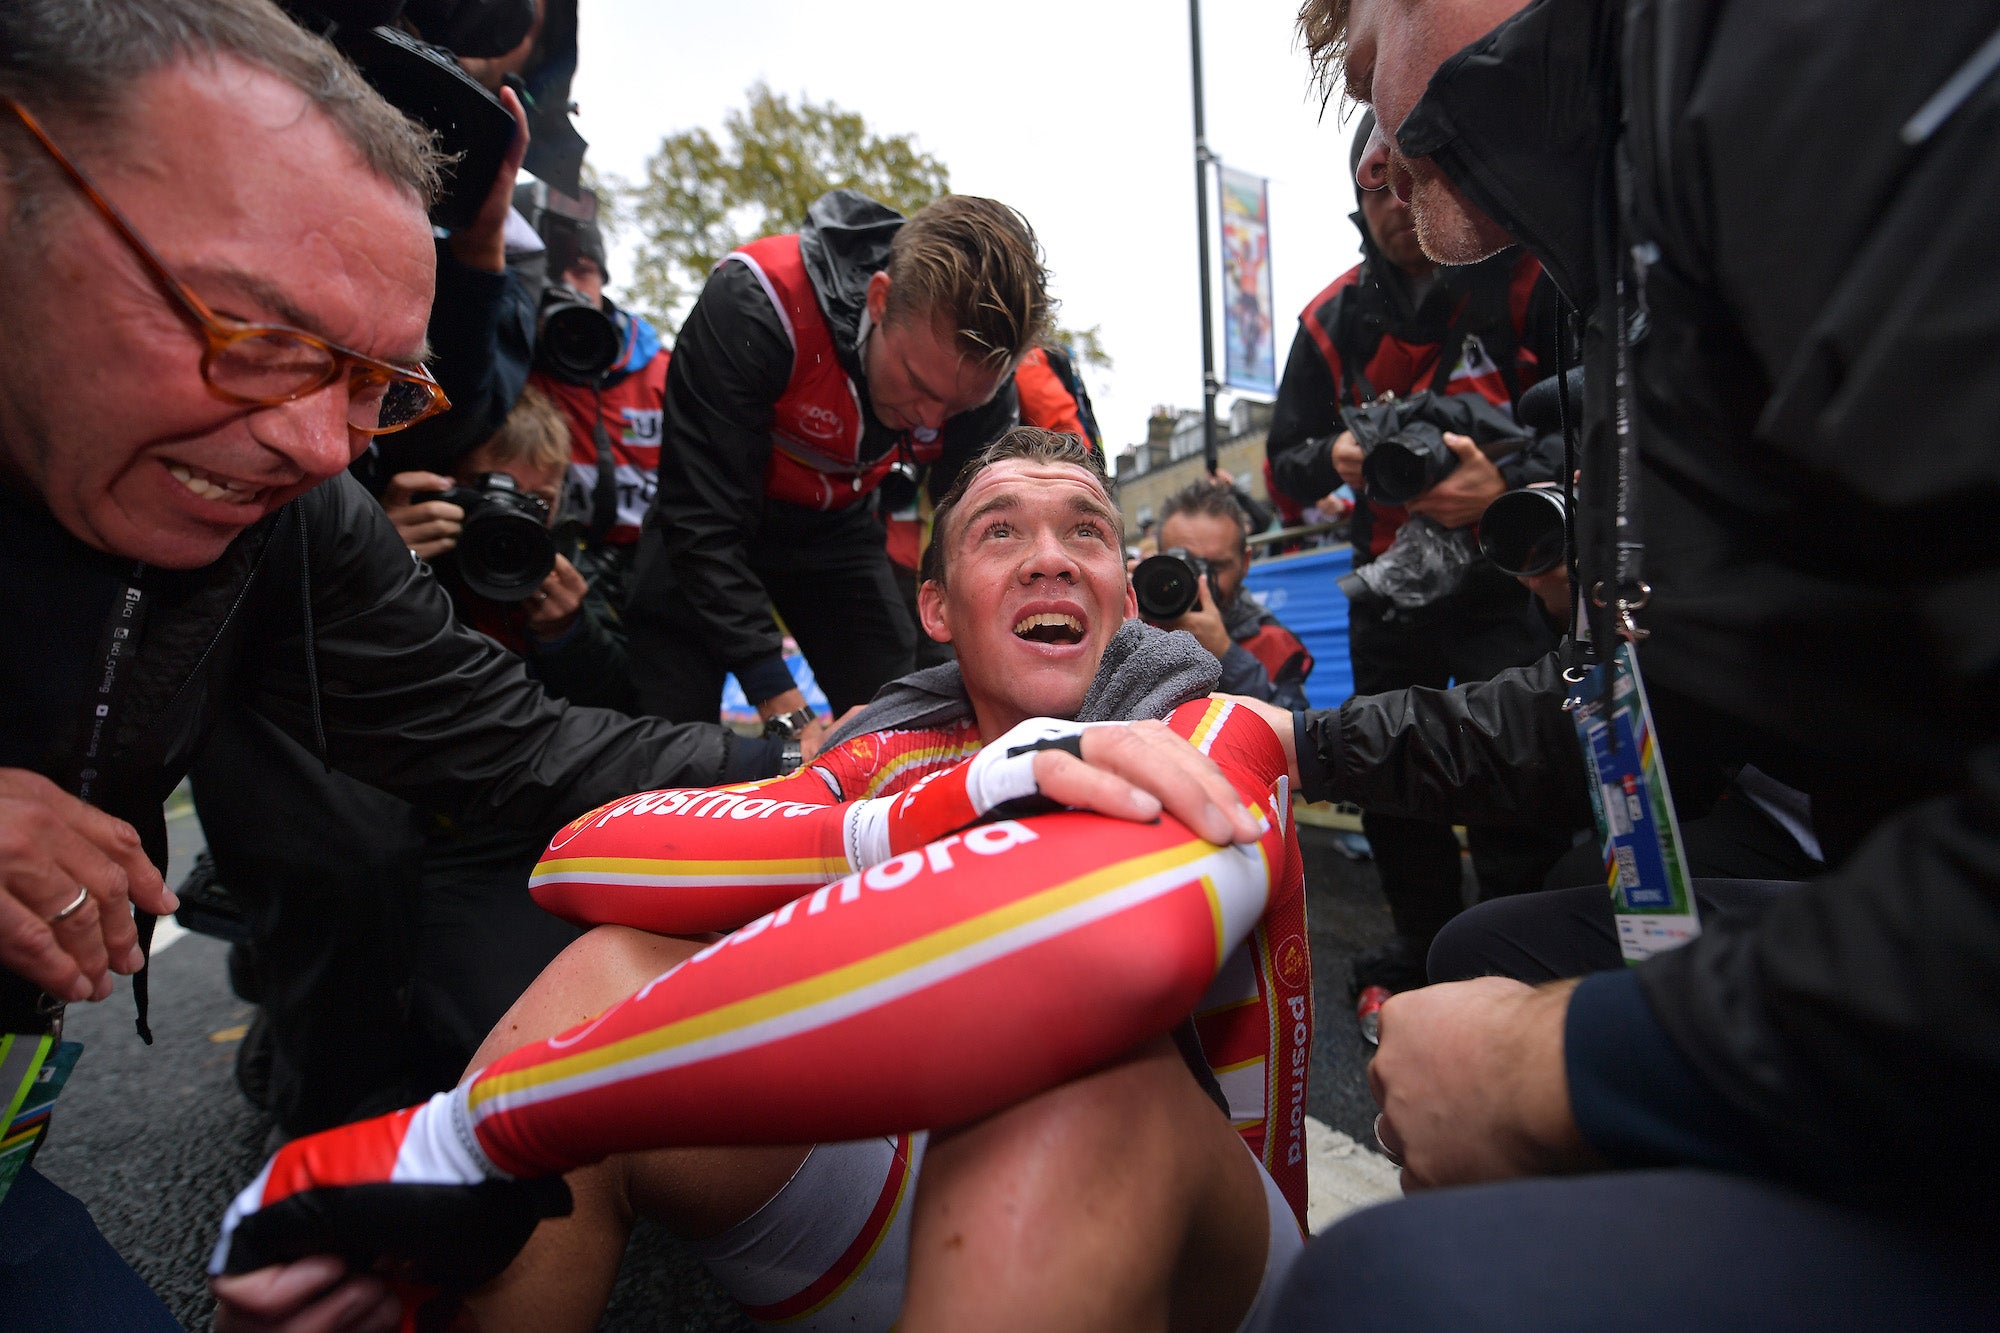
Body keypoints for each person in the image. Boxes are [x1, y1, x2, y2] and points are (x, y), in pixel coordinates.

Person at [1246, 0, 2000, 1324]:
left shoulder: (1771, 53)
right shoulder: (1620, 212)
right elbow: (1637, 701)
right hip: (1883, 891)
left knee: (1383, 1288)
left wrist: (1564, 1065)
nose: (1377, 125)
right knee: (1487, 945)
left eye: (1367, 56)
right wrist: (1289, 740)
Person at [208, 430, 1307, 1333]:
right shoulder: (887, 751)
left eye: (1086, 531)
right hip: (918, 1195)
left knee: (1077, 1083)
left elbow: (1117, 937)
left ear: (1122, 595)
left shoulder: (1211, 719)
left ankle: (471, 1146)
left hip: (1195, 1257)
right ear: (936, 610)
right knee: (610, 971)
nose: (1051, 555)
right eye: (999, 530)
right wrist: (940, 805)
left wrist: (493, 1130)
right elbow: (583, 859)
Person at [1265, 108, 1578, 1010]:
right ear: (1360, 197)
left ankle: (1526, 950)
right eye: (1377, 181)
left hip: (1509, 569)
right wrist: (1341, 457)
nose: (1399, 199)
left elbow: (1588, 434)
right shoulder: (1328, 319)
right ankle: (1419, 950)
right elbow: (1285, 472)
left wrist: (1500, 483)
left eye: (1414, 172)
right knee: (1394, 786)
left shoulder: (1525, 274)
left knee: (1522, 766)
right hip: (1388, 586)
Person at [623, 188, 1046, 731]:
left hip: (836, 530)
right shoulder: (759, 301)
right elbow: (699, 515)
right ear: (879, 299)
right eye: (917, 384)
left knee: (905, 716)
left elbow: (971, 540)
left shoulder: (986, 386)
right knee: (671, 725)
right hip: (711, 518)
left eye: (958, 405)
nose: (931, 421)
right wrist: (781, 702)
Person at [526, 219, 670, 607]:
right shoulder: (516, 371)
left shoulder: (662, 372)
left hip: (657, 570)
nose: (566, 286)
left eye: (582, 270)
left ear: (603, 279)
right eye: (548, 271)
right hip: (553, 565)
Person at [1146, 480, 1314, 711]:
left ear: (1245, 563)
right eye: (1186, 564)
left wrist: (1227, 655)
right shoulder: (1136, 620)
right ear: (1159, 560)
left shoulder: (1273, 643)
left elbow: (1295, 729)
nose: (1201, 579)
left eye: (1216, 566)